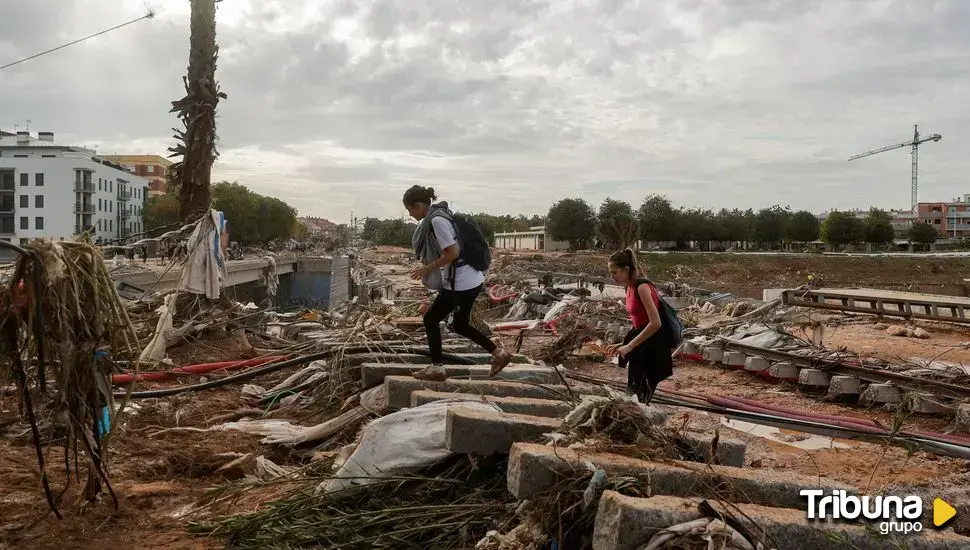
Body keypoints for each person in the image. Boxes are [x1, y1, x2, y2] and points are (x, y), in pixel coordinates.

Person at [404, 185, 513, 381]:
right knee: (460, 324)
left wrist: (427, 268)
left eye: (410, 210)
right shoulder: (441, 214)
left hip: (461, 282)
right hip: (468, 279)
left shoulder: (436, 221)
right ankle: (499, 354)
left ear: (418, 205)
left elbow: (453, 252)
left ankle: (437, 368)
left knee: (431, 319)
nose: (411, 215)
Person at [606, 248, 673, 403]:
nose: (612, 276)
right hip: (640, 342)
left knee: (640, 395)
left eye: (614, 272)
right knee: (634, 391)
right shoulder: (628, 287)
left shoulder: (642, 287)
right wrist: (623, 343)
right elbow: (638, 321)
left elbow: (655, 323)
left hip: (652, 345)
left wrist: (629, 346)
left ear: (626, 269)